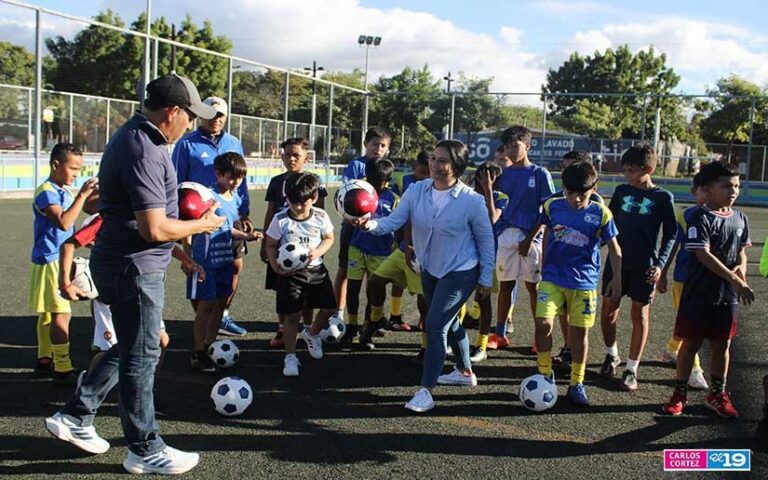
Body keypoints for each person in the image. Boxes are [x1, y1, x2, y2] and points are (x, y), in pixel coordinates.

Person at [45, 73, 224, 475]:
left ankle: (76, 414)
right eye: (189, 117)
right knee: (142, 356)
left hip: (124, 263)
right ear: (172, 113)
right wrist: (202, 225)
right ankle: (144, 446)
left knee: (136, 345)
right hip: (134, 268)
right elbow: (154, 229)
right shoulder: (145, 149)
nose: (191, 124)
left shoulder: (134, 136)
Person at [355, 140, 495, 413]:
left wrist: (486, 279)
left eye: (442, 160)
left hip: (461, 270)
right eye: (433, 158)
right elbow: (394, 222)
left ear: (456, 166)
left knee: (434, 326)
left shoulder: (472, 201)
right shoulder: (416, 190)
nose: (434, 164)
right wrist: (368, 223)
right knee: (449, 321)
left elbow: (486, 240)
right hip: (429, 267)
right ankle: (465, 372)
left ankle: (426, 391)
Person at [58, 212, 205, 413]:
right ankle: (87, 393)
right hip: (113, 291)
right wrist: (65, 282)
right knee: (111, 349)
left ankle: (145, 394)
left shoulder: (145, 213)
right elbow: (68, 244)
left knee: (161, 341)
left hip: (144, 290)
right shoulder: (105, 218)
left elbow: (162, 239)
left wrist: (187, 260)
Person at [662, 161, 754, 417]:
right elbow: (703, 254)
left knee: (722, 345)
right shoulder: (699, 217)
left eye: (736, 185)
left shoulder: (740, 218)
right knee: (691, 344)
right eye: (726, 186)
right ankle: (679, 393)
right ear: (707, 189)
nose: (733, 191)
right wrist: (734, 279)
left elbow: (742, 252)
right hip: (698, 293)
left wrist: (741, 271)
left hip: (726, 297)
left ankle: (717, 394)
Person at [534, 162, 622, 406]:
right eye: (570, 193)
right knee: (542, 325)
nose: (575, 199)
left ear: (594, 188)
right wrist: (543, 264)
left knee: (579, 334)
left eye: (581, 194)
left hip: (583, 282)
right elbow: (547, 233)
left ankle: (577, 383)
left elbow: (615, 250)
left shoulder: (601, 214)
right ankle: (543, 374)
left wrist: (617, 279)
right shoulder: (552, 206)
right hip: (552, 278)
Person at [599, 144, 676, 391]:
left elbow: (671, 234)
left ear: (649, 169)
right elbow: (607, 224)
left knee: (639, 314)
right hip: (616, 262)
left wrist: (660, 266)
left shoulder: (663, 198)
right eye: (625, 170)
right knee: (609, 308)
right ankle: (612, 354)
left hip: (644, 266)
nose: (627, 175)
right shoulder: (622, 191)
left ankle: (632, 369)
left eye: (631, 171)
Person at [173, 96, 251, 336]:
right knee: (197, 269)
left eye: (221, 115)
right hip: (199, 219)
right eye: (212, 114)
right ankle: (203, 318)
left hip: (231, 214)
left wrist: (244, 209)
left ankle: (222, 315)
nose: (216, 119)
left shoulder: (234, 142)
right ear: (202, 114)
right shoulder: (186, 144)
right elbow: (175, 181)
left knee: (235, 266)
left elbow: (242, 178)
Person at [29, 143, 97, 385]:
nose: (77, 174)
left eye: (79, 169)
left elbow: (68, 229)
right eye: (73, 168)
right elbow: (63, 223)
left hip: (53, 258)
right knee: (61, 315)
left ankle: (44, 359)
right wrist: (82, 195)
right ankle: (63, 368)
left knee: (47, 313)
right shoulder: (46, 192)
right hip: (51, 261)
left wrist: (85, 242)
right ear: (56, 165)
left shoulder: (60, 190)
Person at [188, 152, 263, 373]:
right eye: (231, 177)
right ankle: (198, 352)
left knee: (221, 302)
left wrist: (246, 236)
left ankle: (211, 345)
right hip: (207, 260)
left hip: (225, 259)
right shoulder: (208, 197)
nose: (235, 182)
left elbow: (227, 227)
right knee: (206, 305)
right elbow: (198, 224)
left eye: (239, 178)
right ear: (218, 173)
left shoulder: (236, 197)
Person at [264, 173, 336, 377]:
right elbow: (270, 244)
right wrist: (275, 264)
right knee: (292, 315)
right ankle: (290, 356)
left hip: (316, 270)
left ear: (313, 198)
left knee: (330, 307)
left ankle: (312, 334)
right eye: (292, 202)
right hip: (291, 274)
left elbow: (329, 238)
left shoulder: (321, 216)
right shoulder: (280, 219)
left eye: (302, 203)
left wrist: (317, 252)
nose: (296, 207)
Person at [261, 138, 327, 349]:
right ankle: (283, 328)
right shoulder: (276, 182)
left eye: (296, 155)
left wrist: (317, 249)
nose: (291, 158)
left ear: (306, 158)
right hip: (281, 248)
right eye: (287, 154)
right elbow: (271, 212)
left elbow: (320, 214)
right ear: (282, 156)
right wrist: (265, 244)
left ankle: (308, 328)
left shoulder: (314, 181)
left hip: (307, 250)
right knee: (282, 291)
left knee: (308, 295)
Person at [495, 126, 555, 351]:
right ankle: (499, 334)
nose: (510, 149)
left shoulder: (540, 174)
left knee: (534, 288)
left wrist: (531, 238)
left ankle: (537, 337)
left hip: (531, 238)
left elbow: (547, 211)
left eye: (515, 145)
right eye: (507, 145)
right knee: (506, 286)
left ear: (528, 146)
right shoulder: (503, 174)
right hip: (506, 236)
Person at [334, 127, 395, 328]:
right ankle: (339, 314)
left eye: (383, 145)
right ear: (366, 144)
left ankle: (373, 319)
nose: (378, 148)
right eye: (374, 144)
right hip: (352, 229)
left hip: (377, 235)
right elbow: (346, 194)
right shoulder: (357, 165)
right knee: (345, 271)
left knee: (375, 279)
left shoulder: (386, 168)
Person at [657, 173, 708, 390]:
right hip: (684, 278)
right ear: (694, 191)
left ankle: (671, 349)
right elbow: (673, 245)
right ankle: (695, 370)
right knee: (691, 324)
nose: (707, 195)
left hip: (710, 280)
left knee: (695, 322)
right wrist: (664, 272)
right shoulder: (685, 216)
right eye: (703, 190)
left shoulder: (728, 217)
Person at [349, 159, 399, 350]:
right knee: (353, 289)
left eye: (382, 181)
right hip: (357, 248)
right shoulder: (358, 193)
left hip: (380, 252)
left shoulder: (394, 199)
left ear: (387, 181)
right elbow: (347, 222)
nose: (379, 185)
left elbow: (399, 225)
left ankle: (368, 328)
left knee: (374, 290)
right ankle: (351, 326)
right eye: (374, 181)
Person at [466, 162, 508, 364]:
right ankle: (451, 340)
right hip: (462, 252)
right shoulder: (468, 194)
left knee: (483, 299)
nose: (486, 181)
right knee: (455, 297)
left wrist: (489, 191)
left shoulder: (500, 197)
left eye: (492, 178)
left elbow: (492, 218)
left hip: (486, 255)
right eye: (484, 176)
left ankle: (481, 346)